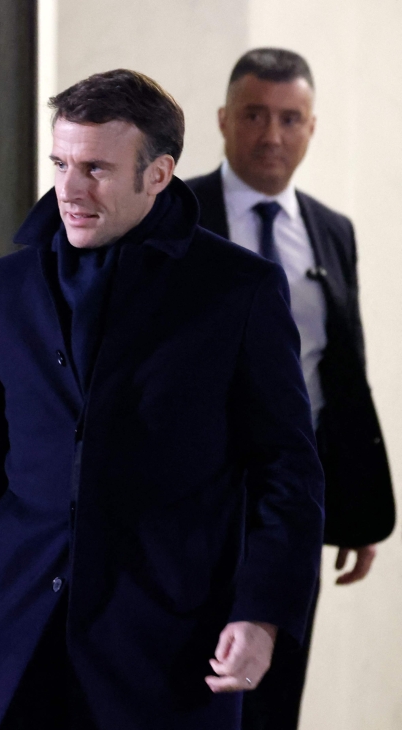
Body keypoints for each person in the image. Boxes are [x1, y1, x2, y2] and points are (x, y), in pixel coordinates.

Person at [0, 69, 325, 730]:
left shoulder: (237, 291)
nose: (68, 189)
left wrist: (261, 612)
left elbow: (288, 473)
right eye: (61, 163)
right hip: (19, 633)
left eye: (95, 168)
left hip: (168, 644)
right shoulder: (8, 283)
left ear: (158, 174)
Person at [186, 48, 396, 730]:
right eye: (254, 115)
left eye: (289, 118)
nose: (271, 135)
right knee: (191, 691)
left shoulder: (331, 231)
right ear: (222, 120)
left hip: (291, 502)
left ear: (311, 127)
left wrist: (357, 501)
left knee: (275, 699)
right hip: (187, 502)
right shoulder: (172, 213)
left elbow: (342, 369)